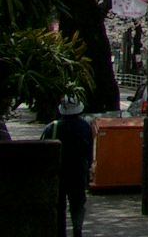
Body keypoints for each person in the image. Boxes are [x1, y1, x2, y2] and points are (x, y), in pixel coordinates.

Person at [42, 94, 94, 237]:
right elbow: (89, 153)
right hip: (78, 172)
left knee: (59, 206)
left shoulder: (52, 127)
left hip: (58, 174)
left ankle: (60, 232)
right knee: (77, 204)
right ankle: (77, 231)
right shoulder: (85, 126)